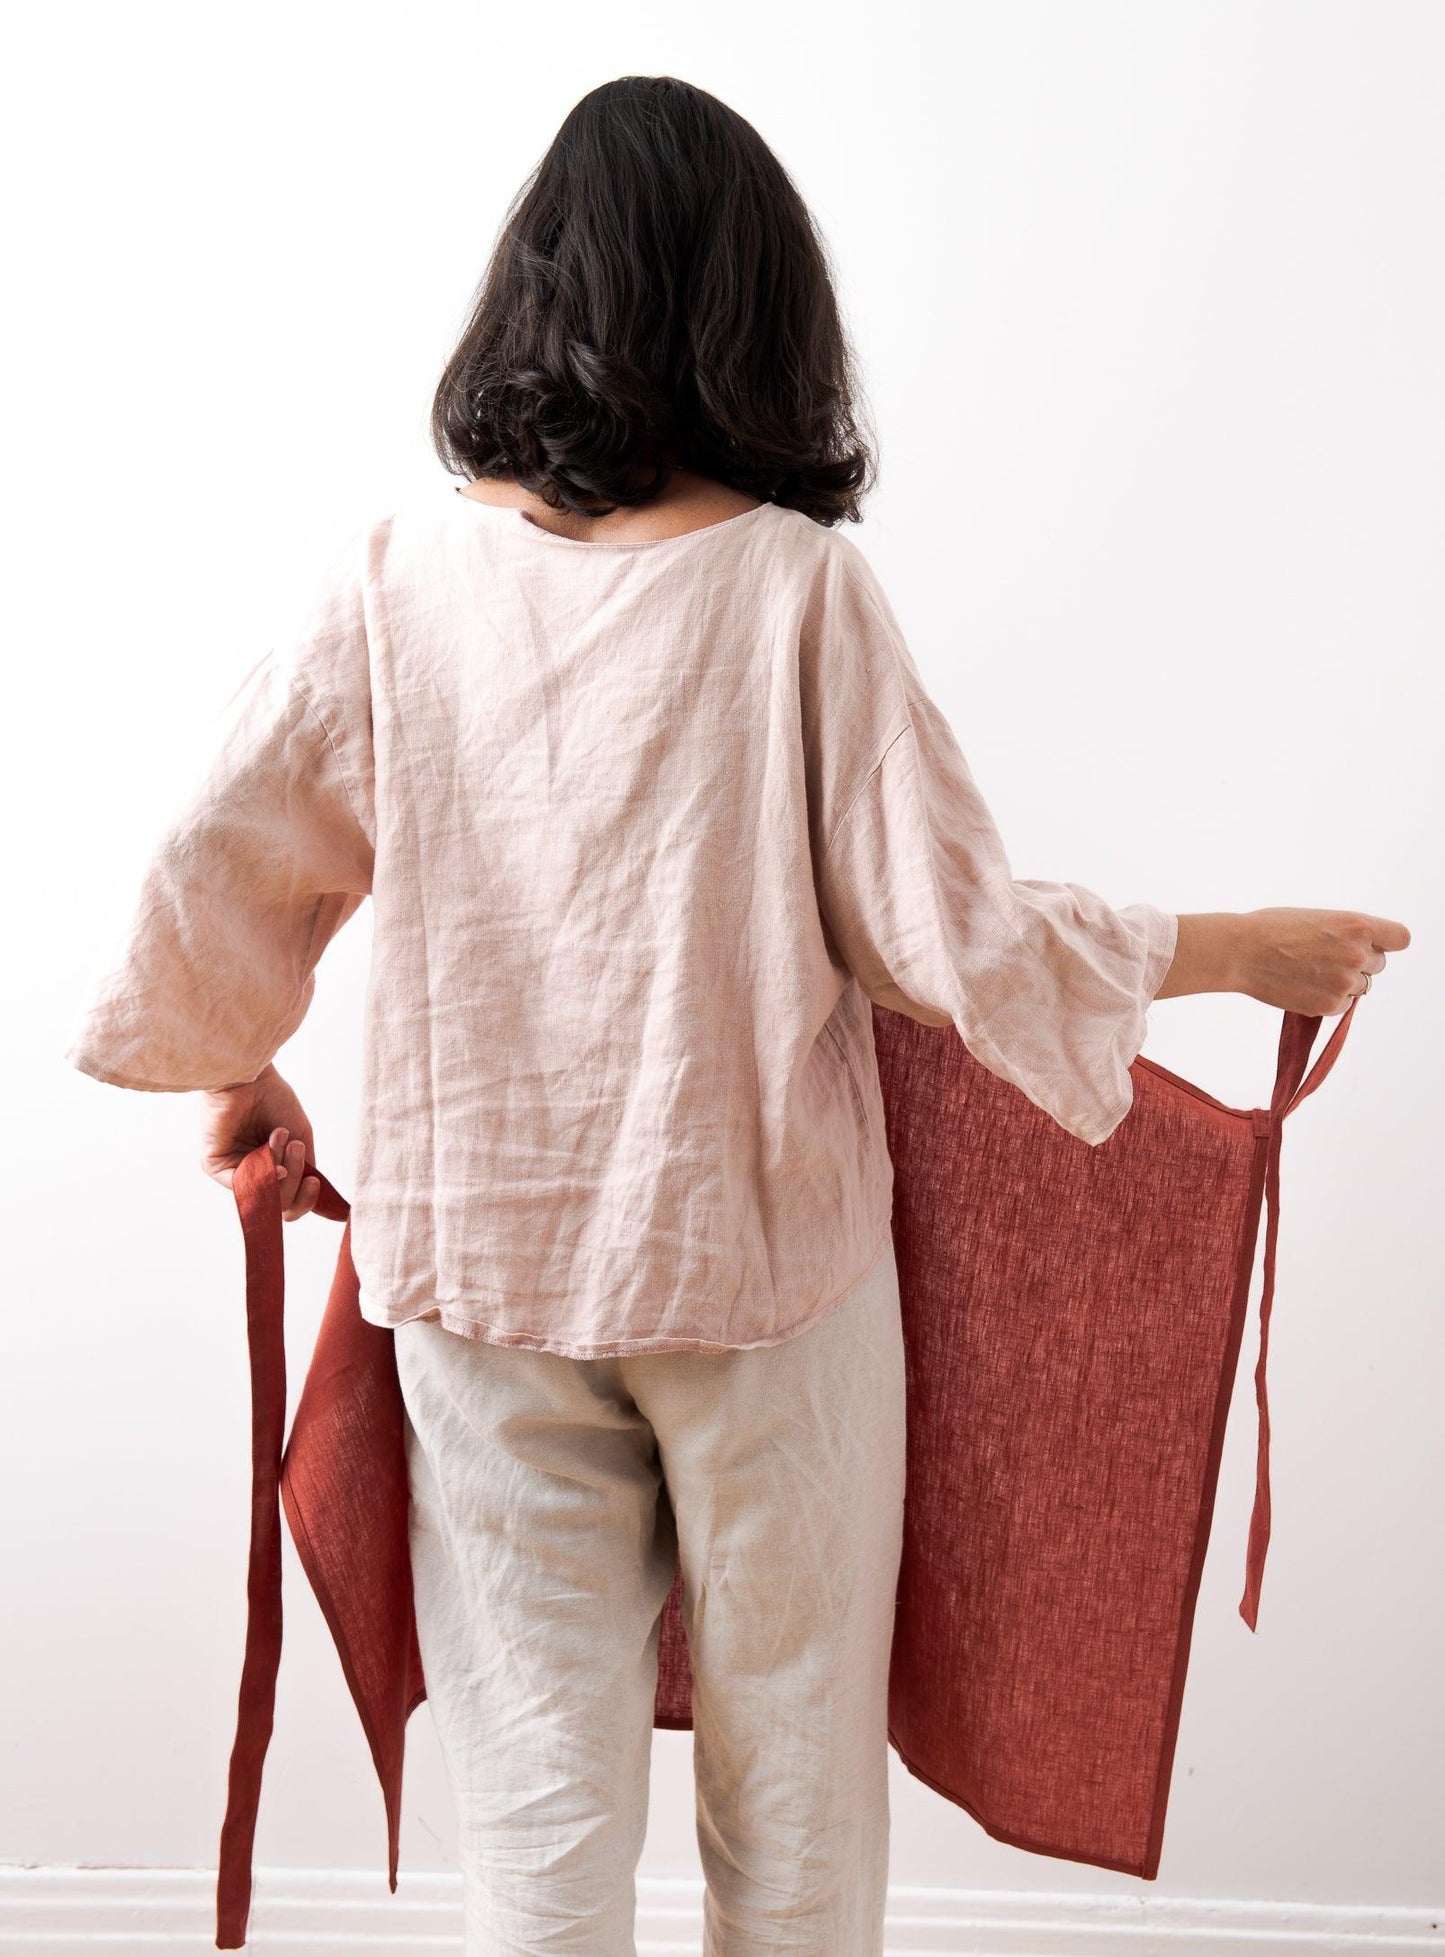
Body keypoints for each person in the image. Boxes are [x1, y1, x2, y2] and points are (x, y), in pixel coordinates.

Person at [65, 74, 1409, 1957]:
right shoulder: (795, 593)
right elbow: (948, 930)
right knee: (790, 1798)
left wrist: (237, 1063)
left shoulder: (394, 582)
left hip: (484, 1279)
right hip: (762, 1277)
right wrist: (1232, 943)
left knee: (537, 1808)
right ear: (761, 314)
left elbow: (215, 857)